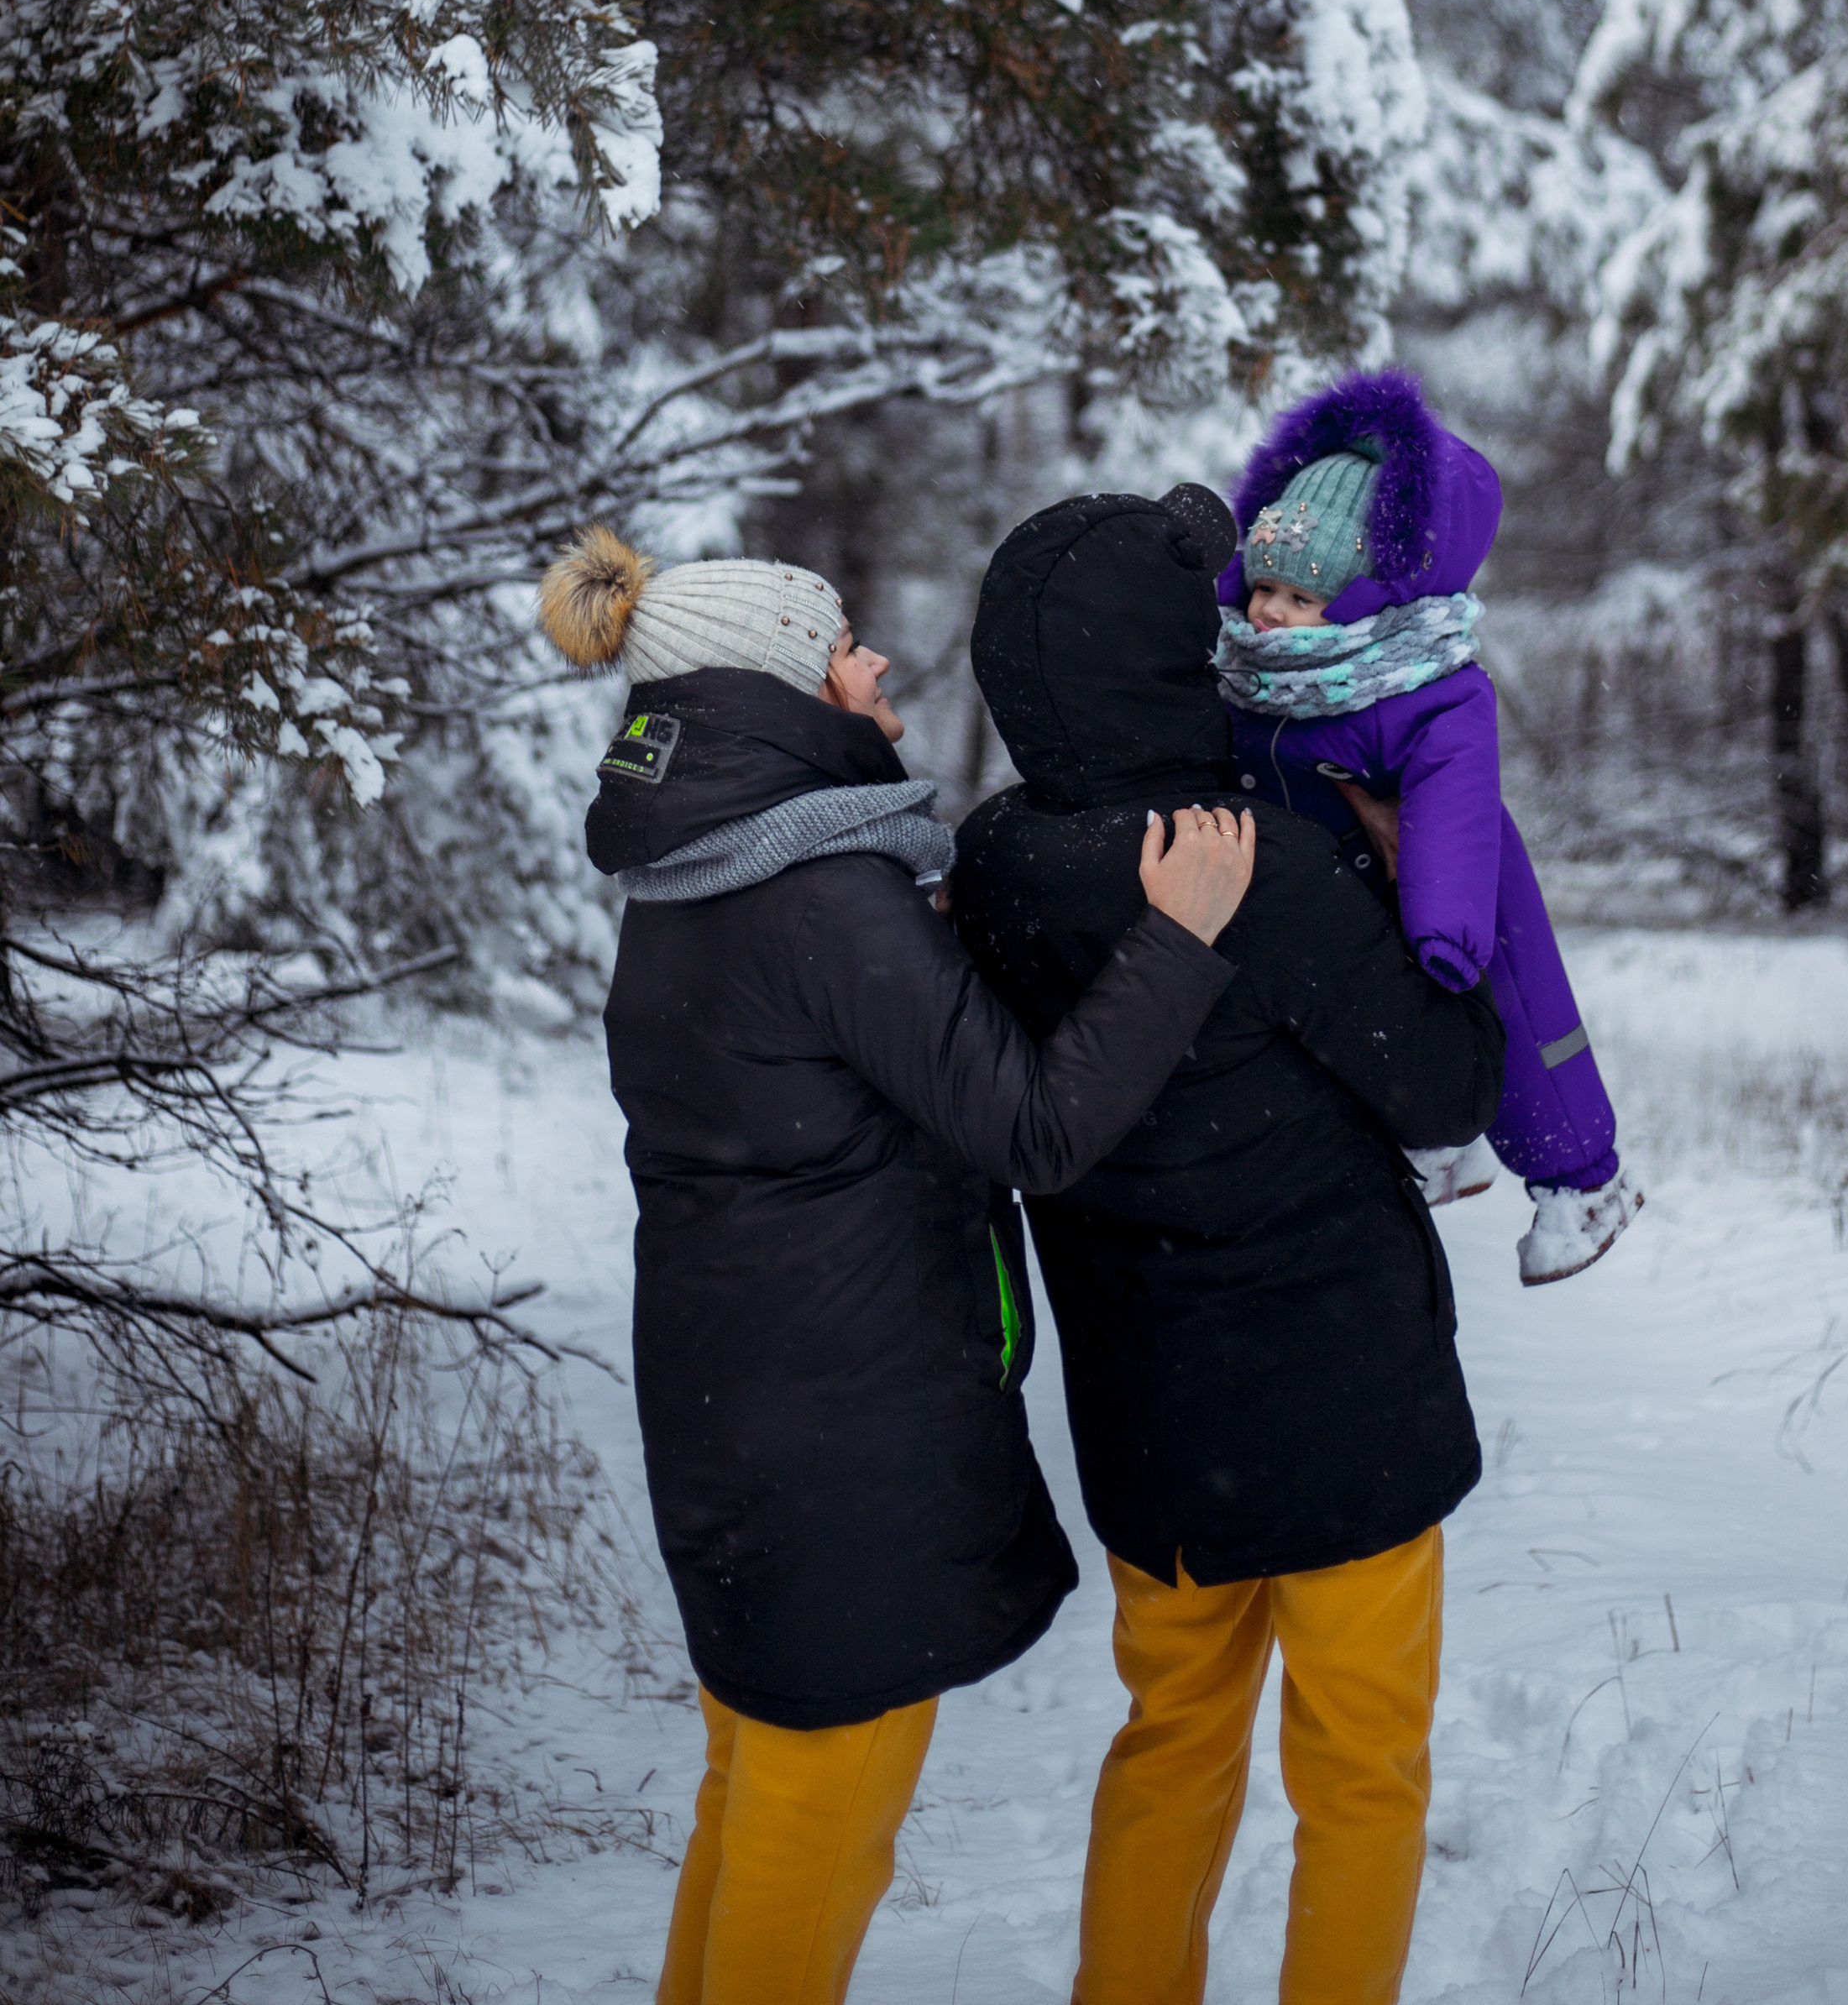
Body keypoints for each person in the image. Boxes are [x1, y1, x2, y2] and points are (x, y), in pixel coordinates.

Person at [540, 520, 1254, 2005]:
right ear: (780, 693)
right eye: (838, 642)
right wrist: (1177, 938)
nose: (871, 660)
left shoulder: (697, 878)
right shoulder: (820, 899)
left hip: (748, 1420)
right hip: (837, 1449)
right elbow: (1039, 1128)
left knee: (753, 1812)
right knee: (817, 1847)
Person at [952, 484, 1505, 2005]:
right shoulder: (1261, 865)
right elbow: (1453, 1082)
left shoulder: (991, 867)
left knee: (1172, 1754)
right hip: (1348, 1416)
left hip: (1153, 1423)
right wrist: (1407, 876)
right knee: (1363, 1771)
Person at [1216, 366, 1642, 1285]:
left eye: (1299, 597)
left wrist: (1445, 922)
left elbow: (1452, 797)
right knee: (1390, 1036)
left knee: (1518, 1024)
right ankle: (1449, 1148)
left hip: (1452, 889)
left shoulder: (1427, 685)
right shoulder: (1248, 671)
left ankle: (1584, 1182)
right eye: (1262, 585)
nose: (1267, 612)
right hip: (1347, 891)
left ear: (1368, 596)